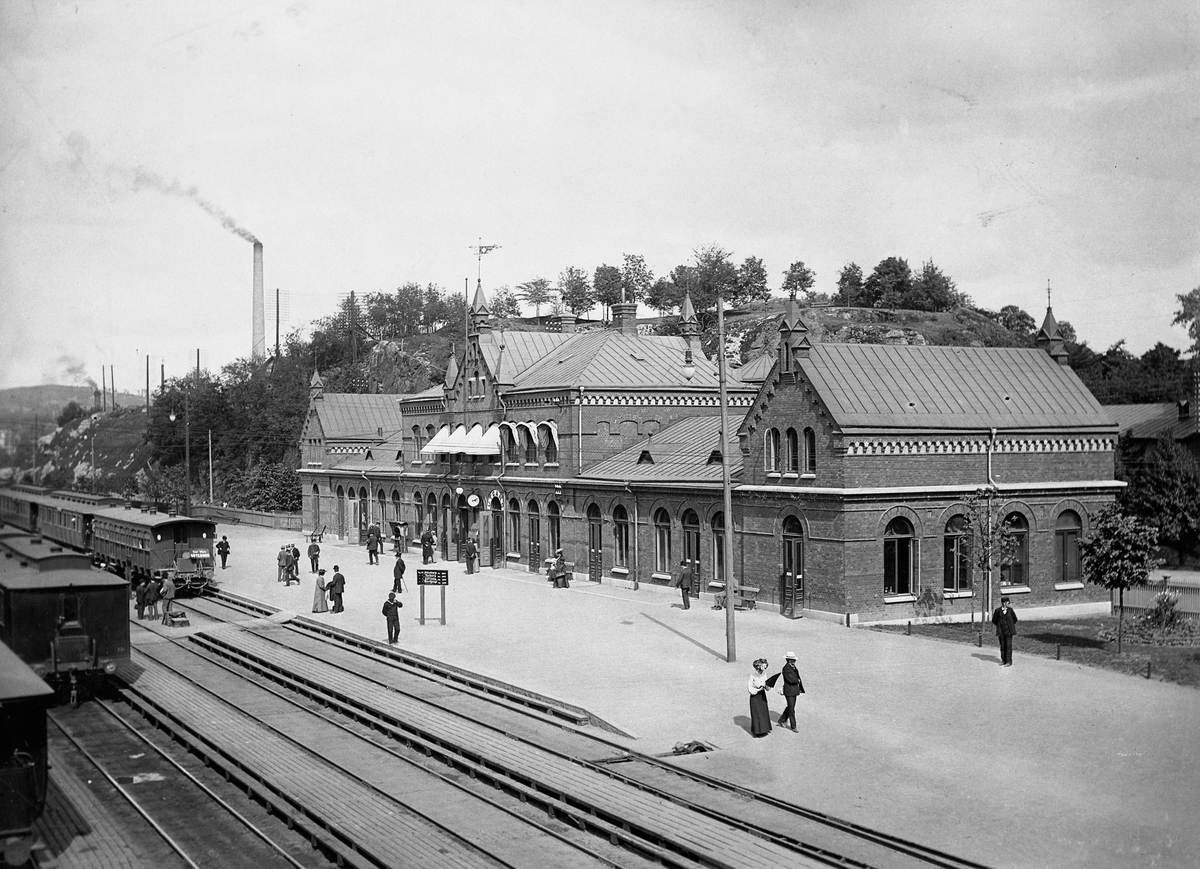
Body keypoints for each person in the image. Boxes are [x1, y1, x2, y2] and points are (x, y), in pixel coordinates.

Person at [777, 651, 805, 732]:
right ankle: (793, 726)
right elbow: (790, 679)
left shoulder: (792, 667)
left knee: (790, 707)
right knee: (792, 709)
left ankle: (782, 720)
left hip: (793, 690)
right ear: (789, 660)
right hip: (789, 691)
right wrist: (797, 680)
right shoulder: (786, 668)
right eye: (793, 660)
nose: (794, 661)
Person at [747, 658, 774, 737]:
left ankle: (765, 729)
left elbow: (767, 687)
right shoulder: (752, 676)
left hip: (762, 696)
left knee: (763, 712)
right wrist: (758, 689)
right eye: (761, 669)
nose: (762, 671)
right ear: (757, 668)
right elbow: (750, 688)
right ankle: (758, 731)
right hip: (755, 697)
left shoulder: (764, 675)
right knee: (757, 713)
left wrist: (767, 685)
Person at [992, 596, 1018, 666]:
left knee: (1008, 646)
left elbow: (1015, 619)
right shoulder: (998, 611)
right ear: (1004, 603)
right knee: (1002, 646)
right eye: (1007, 602)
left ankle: (1008, 661)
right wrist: (999, 625)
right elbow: (994, 620)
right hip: (1001, 631)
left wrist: (1010, 624)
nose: (1008, 604)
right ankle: (1003, 660)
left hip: (1009, 631)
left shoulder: (1010, 610)